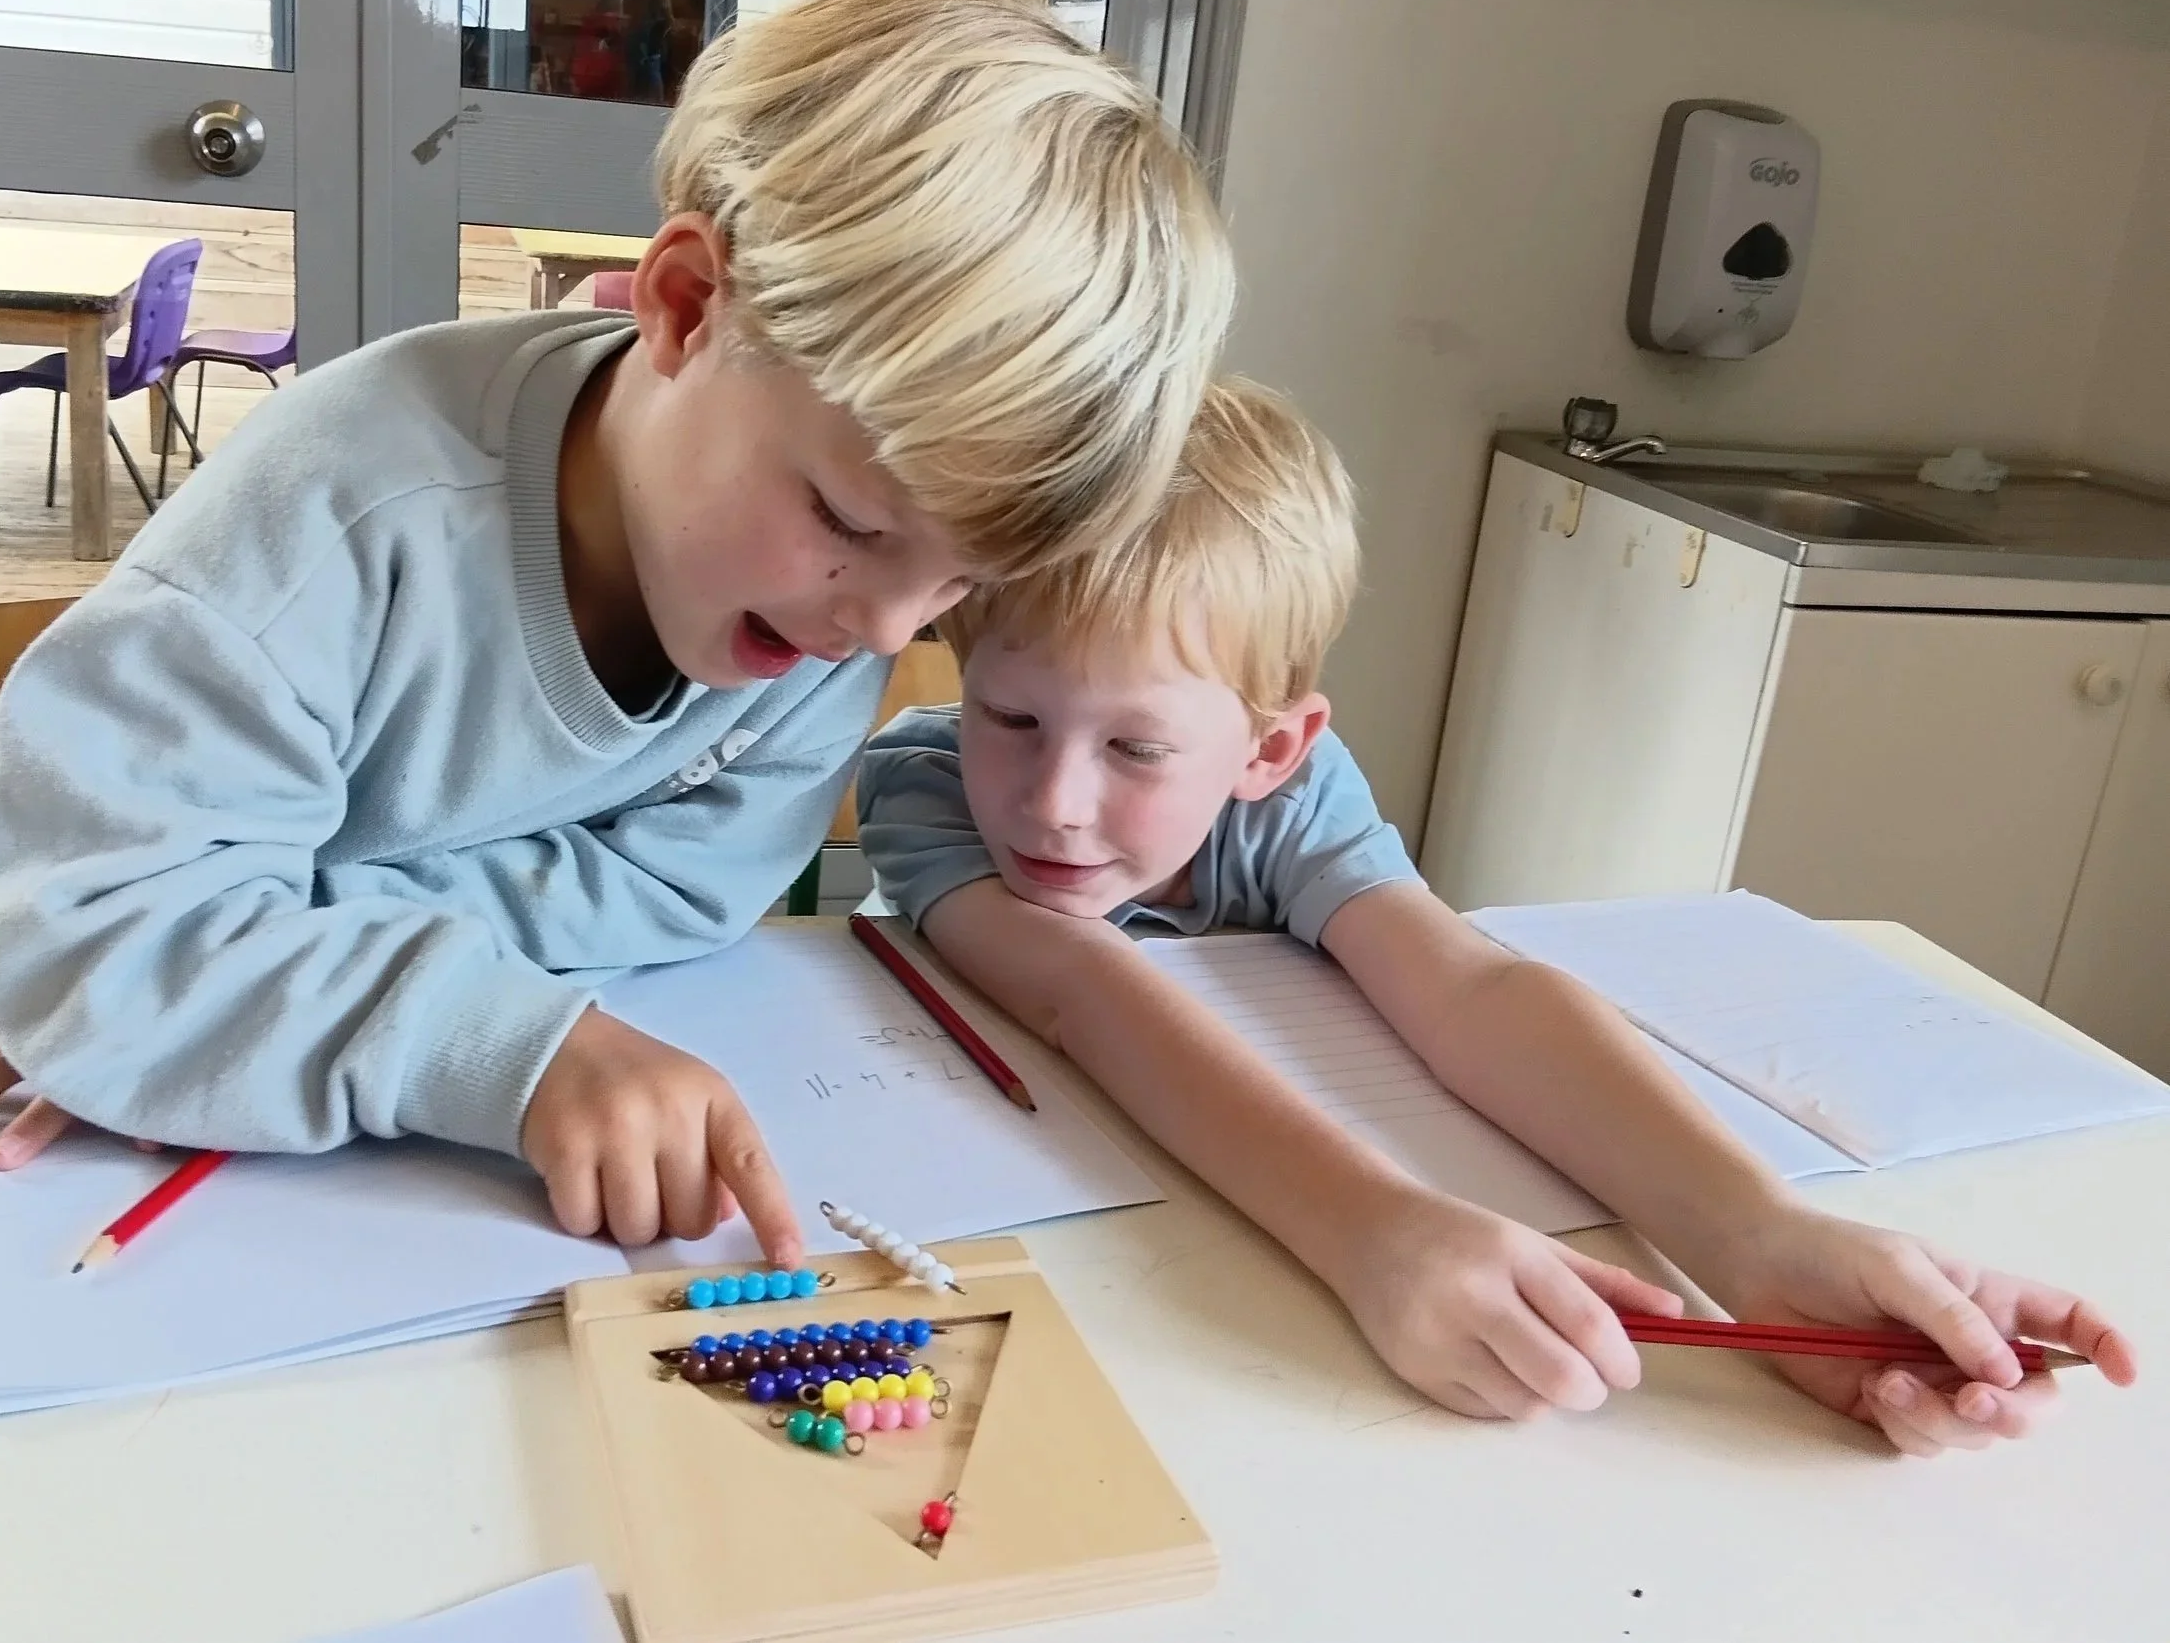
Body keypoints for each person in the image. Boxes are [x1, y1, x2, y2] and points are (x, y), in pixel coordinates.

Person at [0, 0, 1235, 1269]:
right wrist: (190, 977)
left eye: (952, 588)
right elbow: (94, 923)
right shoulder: (349, 512)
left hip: (224, 981)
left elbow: (680, 888)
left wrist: (235, 971)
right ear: (687, 305)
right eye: (856, 525)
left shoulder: (817, 613)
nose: (883, 635)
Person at [858, 377, 2136, 1455]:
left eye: (1136, 745)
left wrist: (1755, 1233)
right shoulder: (922, 786)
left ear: (1270, 747)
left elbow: (1465, 987)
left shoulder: (1296, 803)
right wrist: (1373, 1226)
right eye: (1008, 716)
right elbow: (1079, 989)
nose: (1053, 801)